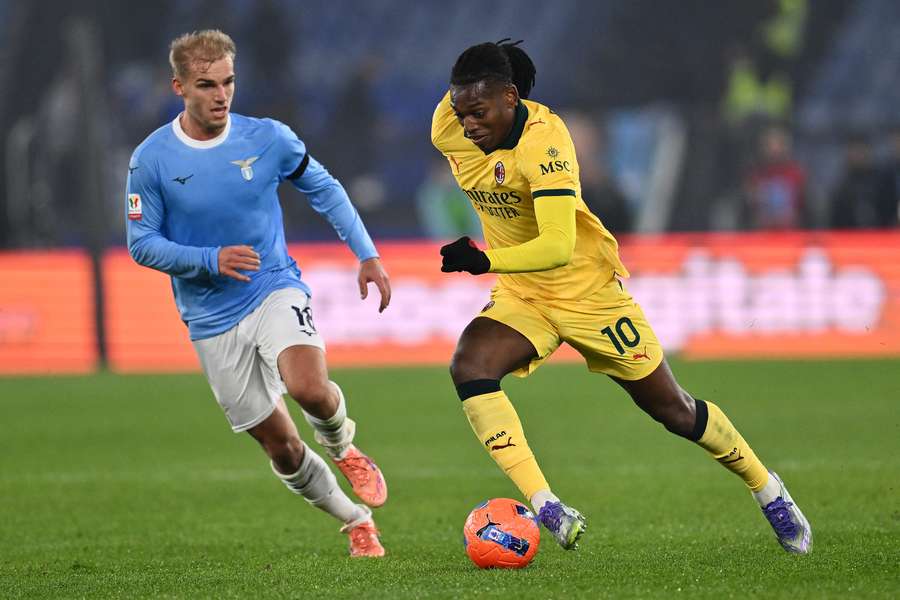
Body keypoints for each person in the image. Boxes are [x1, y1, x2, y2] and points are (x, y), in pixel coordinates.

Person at [430, 40, 811, 554]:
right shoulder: (448, 125)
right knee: (469, 365)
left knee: (674, 412)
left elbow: (559, 246)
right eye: (461, 112)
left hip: (590, 294)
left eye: (478, 112)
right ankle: (546, 505)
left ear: (511, 99)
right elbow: (462, 118)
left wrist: (483, 260)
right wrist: (493, 265)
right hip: (525, 295)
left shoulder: (545, 142)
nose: (468, 124)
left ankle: (768, 489)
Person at [126, 30, 391, 557]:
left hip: (273, 285)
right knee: (282, 446)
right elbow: (141, 244)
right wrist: (209, 259)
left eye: (228, 82)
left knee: (310, 388)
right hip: (209, 316)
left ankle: (344, 447)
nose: (220, 95)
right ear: (178, 86)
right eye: (206, 85)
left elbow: (325, 187)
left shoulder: (268, 138)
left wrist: (366, 254)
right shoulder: (151, 159)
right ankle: (354, 518)